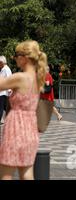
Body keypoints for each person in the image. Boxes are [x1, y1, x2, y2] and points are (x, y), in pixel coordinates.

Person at [0, 40, 47, 180]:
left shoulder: (21, 78)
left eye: (17, 55)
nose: (15, 58)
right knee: (26, 172)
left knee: (6, 172)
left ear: (25, 57)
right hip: (30, 128)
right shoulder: (38, 78)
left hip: (16, 128)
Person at [0, 56, 12, 124]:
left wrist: (9, 90)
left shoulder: (5, 69)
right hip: (3, 92)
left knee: (1, 107)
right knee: (5, 107)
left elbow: (9, 79)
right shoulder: (4, 69)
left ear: (1, 62)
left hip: (3, 92)